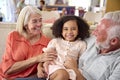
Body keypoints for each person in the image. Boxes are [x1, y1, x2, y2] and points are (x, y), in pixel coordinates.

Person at [0, 6, 57, 80]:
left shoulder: (47, 42)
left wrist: (41, 67)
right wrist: (37, 59)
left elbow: (48, 65)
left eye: (40, 20)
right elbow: (7, 70)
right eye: (34, 21)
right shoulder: (13, 37)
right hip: (6, 77)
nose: (39, 24)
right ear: (25, 24)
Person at [64, 11, 120, 80]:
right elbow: (65, 40)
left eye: (98, 31)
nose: (93, 33)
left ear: (113, 41)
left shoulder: (117, 62)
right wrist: (47, 56)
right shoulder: (92, 39)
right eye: (96, 28)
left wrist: (74, 70)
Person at [37, 15, 90, 80]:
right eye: (65, 29)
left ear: (79, 30)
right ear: (61, 31)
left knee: (71, 76)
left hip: (71, 70)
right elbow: (46, 55)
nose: (69, 32)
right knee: (63, 74)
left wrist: (76, 68)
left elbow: (82, 61)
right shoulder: (55, 41)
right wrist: (42, 65)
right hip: (54, 68)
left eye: (73, 29)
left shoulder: (81, 44)